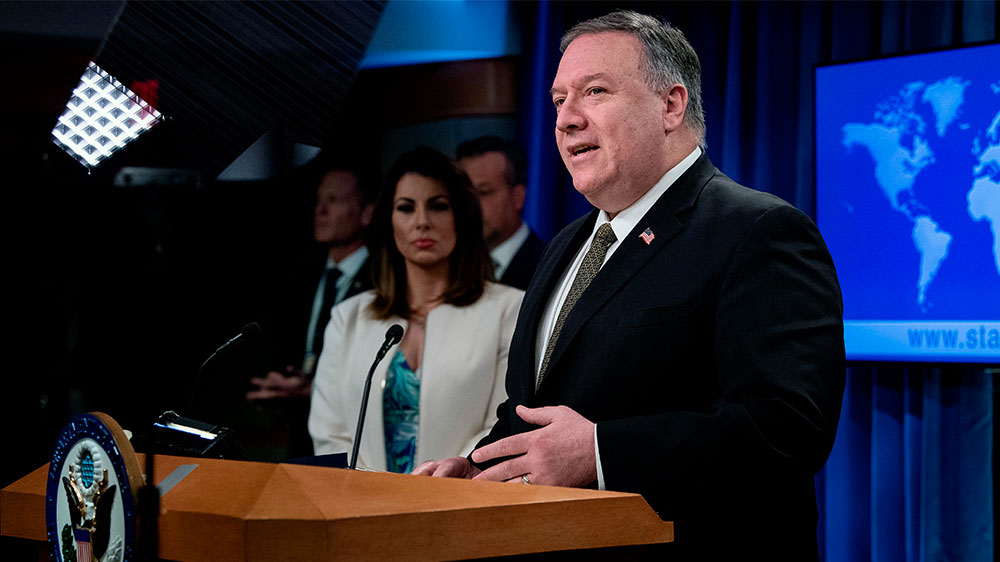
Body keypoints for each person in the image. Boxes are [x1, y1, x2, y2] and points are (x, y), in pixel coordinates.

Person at [413, 10, 845, 560]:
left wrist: (599, 451)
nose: (566, 119)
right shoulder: (566, 245)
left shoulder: (758, 231)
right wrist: (477, 468)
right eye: (558, 100)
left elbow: (788, 428)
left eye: (594, 92)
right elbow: (531, 412)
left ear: (671, 105)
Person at [308, 147, 523, 473]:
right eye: (406, 208)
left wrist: (450, 476)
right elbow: (329, 434)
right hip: (360, 498)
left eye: (438, 206)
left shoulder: (509, 310)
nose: (422, 222)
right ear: (389, 221)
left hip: (463, 493)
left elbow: (502, 421)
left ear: (460, 217)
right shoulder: (347, 317)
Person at [246, 155, 375, 457]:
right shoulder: (300, 275)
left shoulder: (382, 280)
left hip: (356, 440)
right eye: (319, 201)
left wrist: (315, 388)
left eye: (334, 200)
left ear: (366, 213)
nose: (321, 210)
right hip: (300, 436)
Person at [456, 136, 546, 290]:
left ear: (517, 197)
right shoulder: (452, 267)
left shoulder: (548, 266)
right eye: (464, 195)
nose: (470, 205)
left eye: (483, 192)